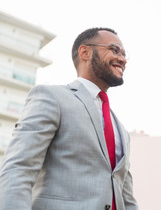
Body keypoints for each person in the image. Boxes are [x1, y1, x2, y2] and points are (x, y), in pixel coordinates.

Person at [0, 27, 138, 210]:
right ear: (85, 52)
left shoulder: (120, 128)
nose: (122, 59)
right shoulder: (52, 97)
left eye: (124, 53)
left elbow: (126, 197)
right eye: (114, 50)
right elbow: (18, 170)